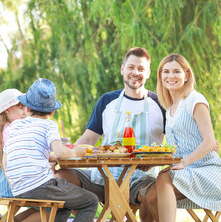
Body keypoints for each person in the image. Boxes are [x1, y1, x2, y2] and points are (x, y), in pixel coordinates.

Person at [58, 47, 165, 222]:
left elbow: (174, 141)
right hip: (102, 177)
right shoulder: (107, 101)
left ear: (148, 73)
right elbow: (88, 140)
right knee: (61, 177)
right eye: (131, 67)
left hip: (141, 179)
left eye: (141, 69)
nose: (135, 72)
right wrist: (65, 152)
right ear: (123, 69)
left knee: (155, 194)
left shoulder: (160, 104)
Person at [149, 54, 221, 221]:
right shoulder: (170, 108)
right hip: (184, 172)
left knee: (163, 177)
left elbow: (210, 142)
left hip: (208, 172)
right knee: (149, 197)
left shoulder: (195, 100)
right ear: (160, 76)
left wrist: (183, 163)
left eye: (176, 71)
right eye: (166, 71)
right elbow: (176, 147)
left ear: (186, 75)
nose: (170, 76)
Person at [3, 78, 99, 222]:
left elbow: (7, 159)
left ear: (27, 108)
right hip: (40, 185)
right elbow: (61, 153)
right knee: (90, 201)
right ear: (53, 112)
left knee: (63, 205)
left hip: (17, 188)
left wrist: (50, 157)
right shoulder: (48, 125)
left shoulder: (14, 126)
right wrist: (82, 151)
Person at [0, 88, 43, 222]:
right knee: (51, 206)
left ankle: (8, 220)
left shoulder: (8, 129)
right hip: (13, 185)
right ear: (7, 110)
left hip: (7, 184)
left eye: (26, 108)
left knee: (45, 206)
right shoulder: (11, 130)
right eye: (20, 107)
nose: (25, 111)